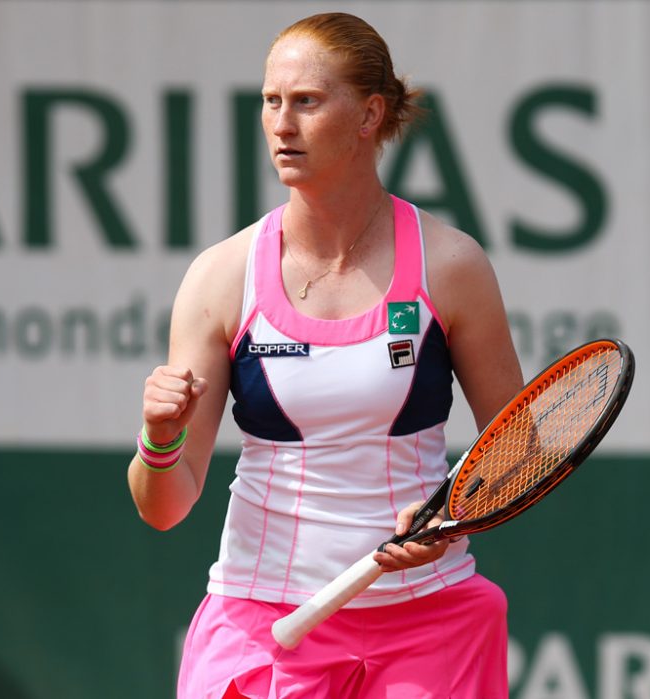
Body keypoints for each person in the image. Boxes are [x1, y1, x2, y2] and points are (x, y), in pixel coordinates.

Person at [127, 12, 524, 699]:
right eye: (270, 101)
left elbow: (519, 449)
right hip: (263, 621)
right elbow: (163, 507)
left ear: (370, 114)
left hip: (428, 622)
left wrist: (450, 512)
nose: (282, 123)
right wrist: (160, 441)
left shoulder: (452, 265)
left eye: (306, 101)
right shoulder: (222, 276)